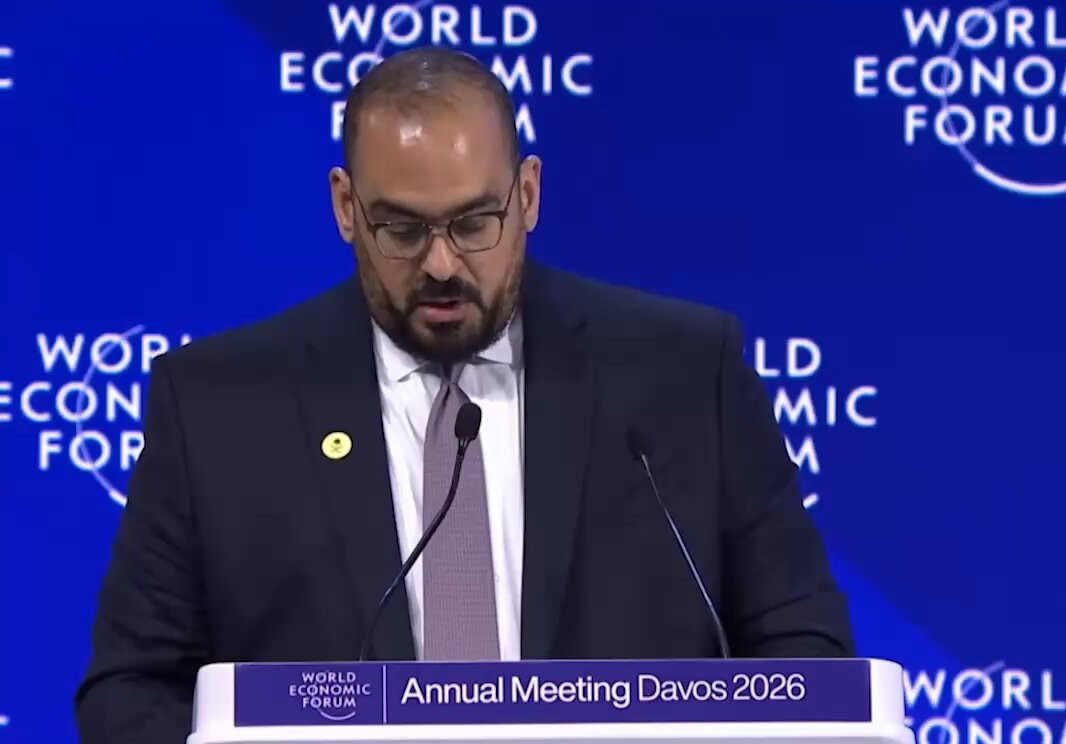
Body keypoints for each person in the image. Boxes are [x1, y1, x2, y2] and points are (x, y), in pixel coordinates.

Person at [74, 46, 853, 743]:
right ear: (346, 208)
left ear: (529, 195)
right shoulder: (219, 407)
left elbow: (805, 652)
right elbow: (130, 692)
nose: (442, 264)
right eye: (402, 229)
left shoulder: (682, 375)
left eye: (475, 223)